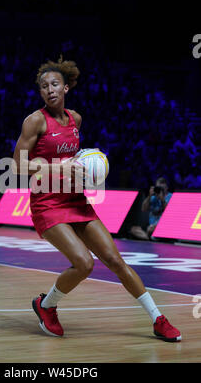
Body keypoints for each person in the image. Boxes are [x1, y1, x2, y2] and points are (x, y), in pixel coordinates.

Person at [13, 57, 181, 342]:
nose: (49, 90)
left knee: (115, 259)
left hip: (76, 201)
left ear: (66, 88)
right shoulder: (35, 121)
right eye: (44, 87)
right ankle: (47, 305)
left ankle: (157, 319)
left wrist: (86, 171)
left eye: (54, 84)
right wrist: (59, 168)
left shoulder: (75, 119)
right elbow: (17, 164)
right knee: (84, 263)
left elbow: (75, 160)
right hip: (47, 204)